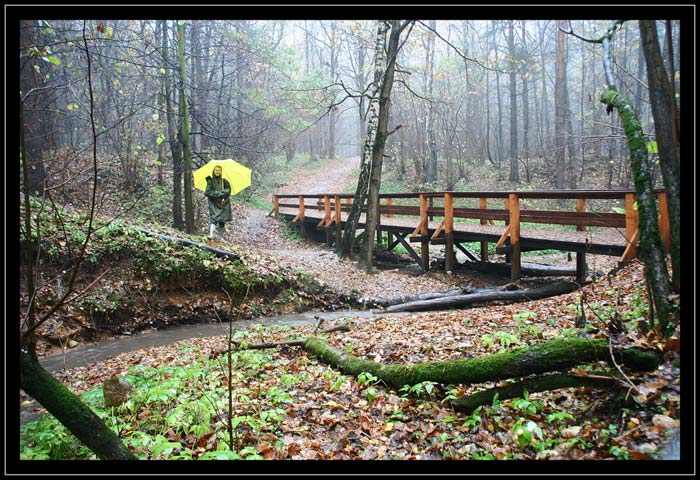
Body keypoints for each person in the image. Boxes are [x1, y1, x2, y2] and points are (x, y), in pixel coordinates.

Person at [204, 165, 232, 240]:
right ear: (214, 171)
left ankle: (220, 237)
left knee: (222, 219)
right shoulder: (210, 181)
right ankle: (211, 235)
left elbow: (228, 190)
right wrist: (218, 194)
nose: (218, 172)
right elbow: (208, 192)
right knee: (214, 218)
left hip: (223, 203)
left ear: (221, 171)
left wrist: (222, 194)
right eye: (216, 170)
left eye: (219, 170)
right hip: (214, 203)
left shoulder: (224, 181)